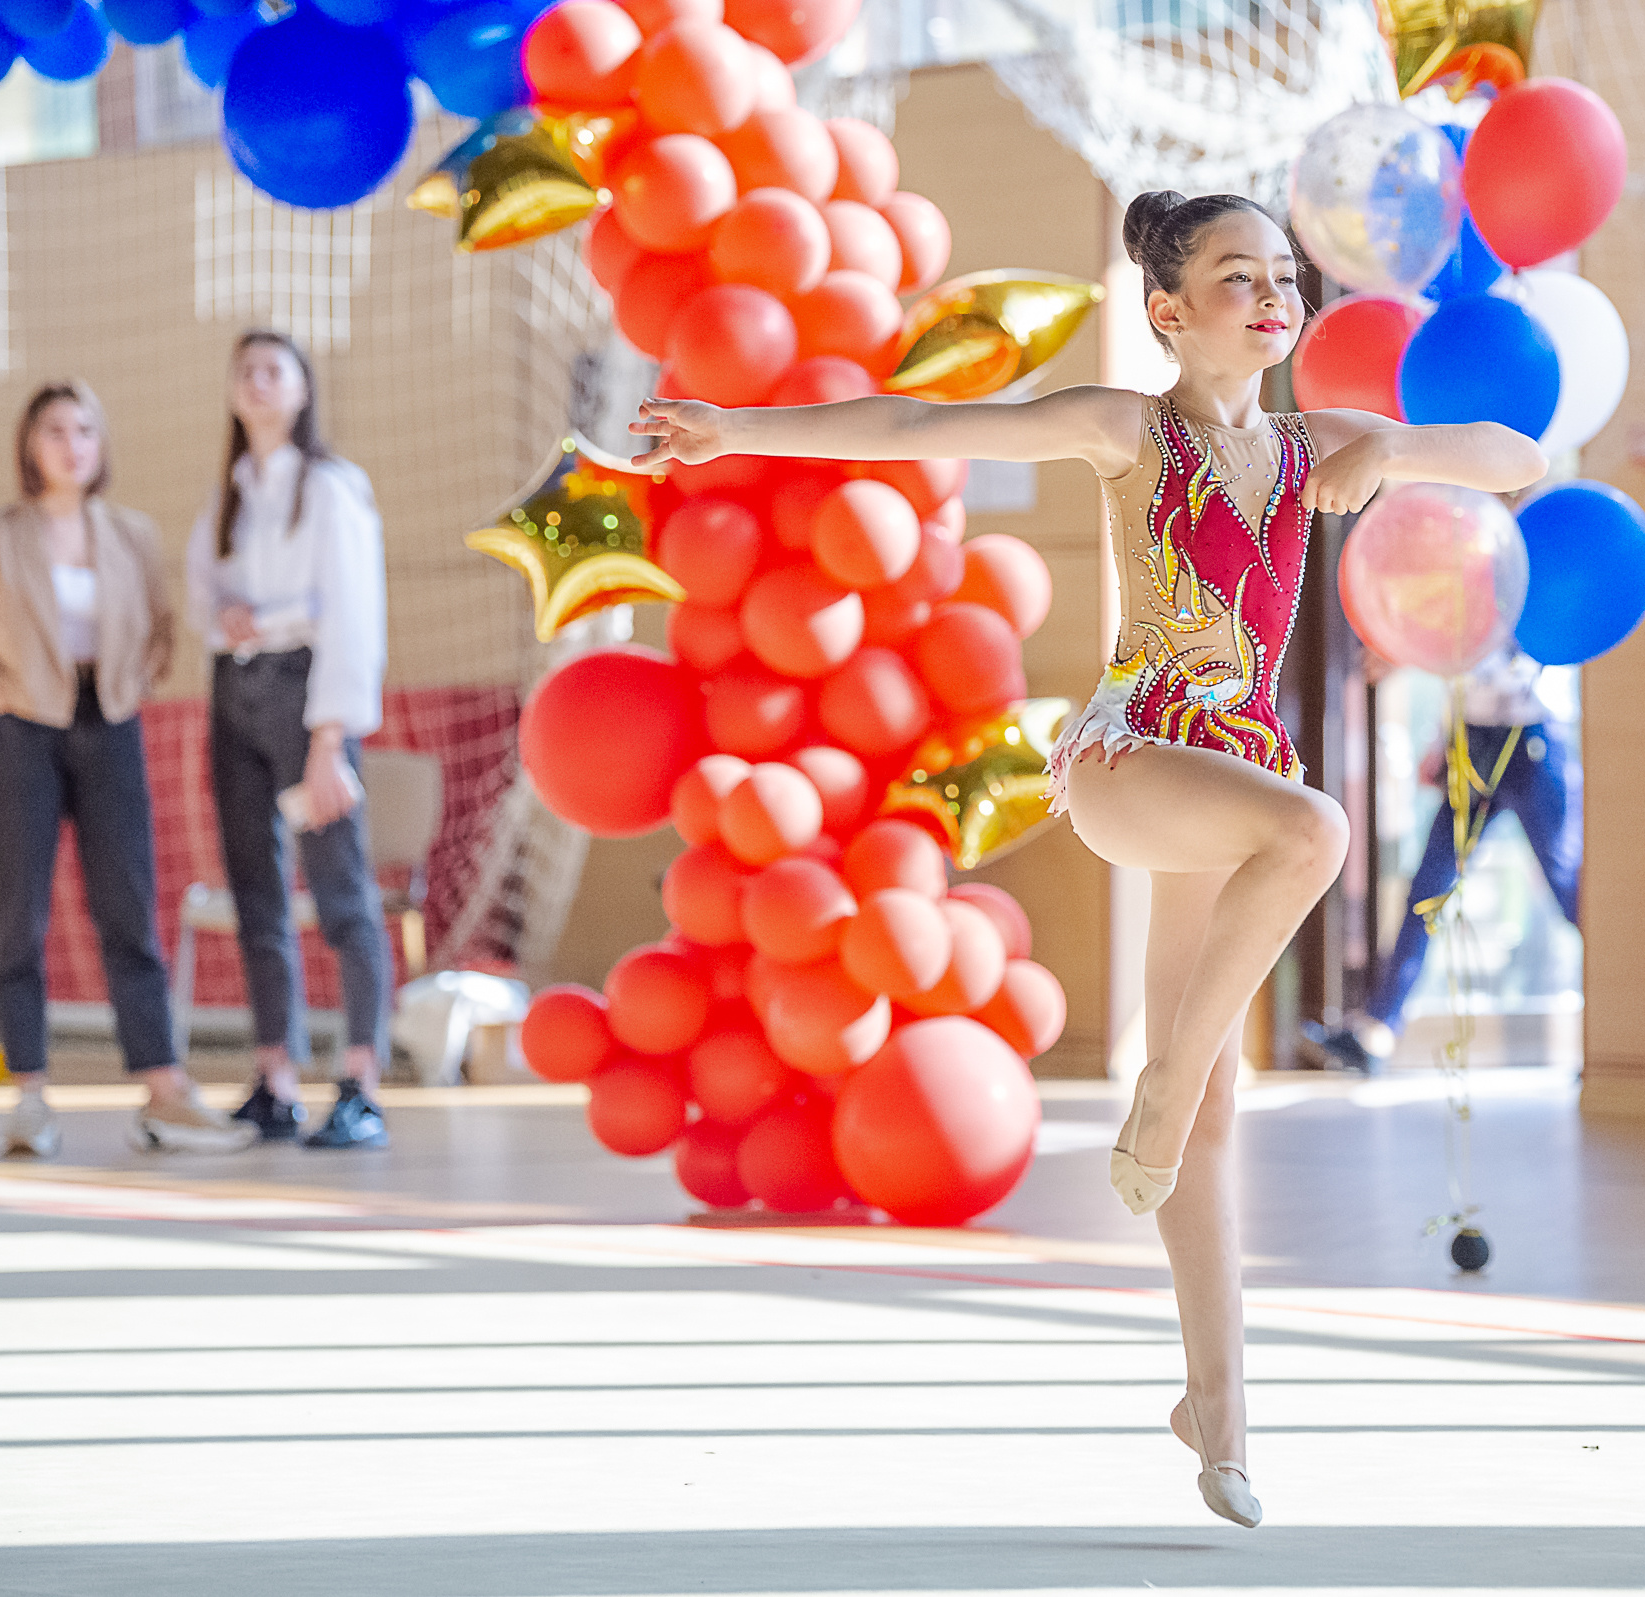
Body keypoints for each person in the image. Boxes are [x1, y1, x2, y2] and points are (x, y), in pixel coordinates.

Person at [631, 191, 1545, 1527]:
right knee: (1319, 835)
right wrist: (740, 429)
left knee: (1226, 1090)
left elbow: (1515, 457)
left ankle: (1215, 1413)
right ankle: (1158, 1085)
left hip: (1234, 780)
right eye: (1240, 275)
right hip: (1136, 761)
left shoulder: (1314, 443)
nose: (1272, 293)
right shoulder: (1133, 426)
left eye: (1284, 273)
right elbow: (924, 426)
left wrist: (1384, 456)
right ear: (1170, 311)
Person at [0, 380, 255, 1155]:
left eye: (84, 428)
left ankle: (164, 1090)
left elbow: (160, 627)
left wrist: (136, 680)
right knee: (19, 918)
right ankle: (28, 1092)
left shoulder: (130, 533)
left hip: (109, 725)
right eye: (54, 429)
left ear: (100, 444)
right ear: (30, 444)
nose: (70, 443)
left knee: (129, 908)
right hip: (19, 730)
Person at [185, 330, 393, 1150]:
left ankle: (360, 1081)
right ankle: (275, 1075)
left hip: (310, 695)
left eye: (276, 369)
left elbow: (353, 614)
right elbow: (206, 593)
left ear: (304, 389)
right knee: (254, 891)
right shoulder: (231, 493)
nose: (260, 382)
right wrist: (225, 618)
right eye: (246, 371)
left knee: (340, 890)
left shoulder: (334, 487)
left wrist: (329, 738)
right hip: (236, 690)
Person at [1305, 643, 1581, 1073]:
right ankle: (1378, 1031)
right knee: (1430, 886)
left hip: (1533, 735)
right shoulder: (1467, 580)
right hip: (1473, 737)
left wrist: (1413, 655)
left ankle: (1622, 1024)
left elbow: (1504, 659)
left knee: (1567, 885)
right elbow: (1463, 651)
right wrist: (1444, 737)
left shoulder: (1534, 582)